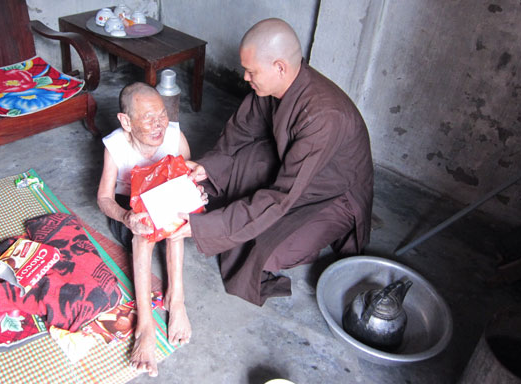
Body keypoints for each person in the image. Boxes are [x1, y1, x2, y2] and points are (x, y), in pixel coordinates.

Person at [172, 18, 374, 306]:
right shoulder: (271, 88)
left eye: (251, 71)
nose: (245, 77)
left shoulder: (324, 116)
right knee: (223, 173)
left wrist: (204, 229)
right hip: (293, 169)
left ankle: (308, 238)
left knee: (264, 252)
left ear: (280, 67)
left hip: (330, 194)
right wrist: (209, 166)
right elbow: (240, 132)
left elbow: (282, 196)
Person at [97, 82, 199, 377]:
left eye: (162, 115)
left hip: (164, 201)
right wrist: (126, 217)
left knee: (177, 221)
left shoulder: (174, 136)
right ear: (126, 122)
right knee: (143, 233)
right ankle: (144, 325)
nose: (159, 125)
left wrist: (194, 189)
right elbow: (103, 199)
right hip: (128, 212)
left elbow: (186, 179)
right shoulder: (116, 145)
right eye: (148, 118)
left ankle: (176, 299)